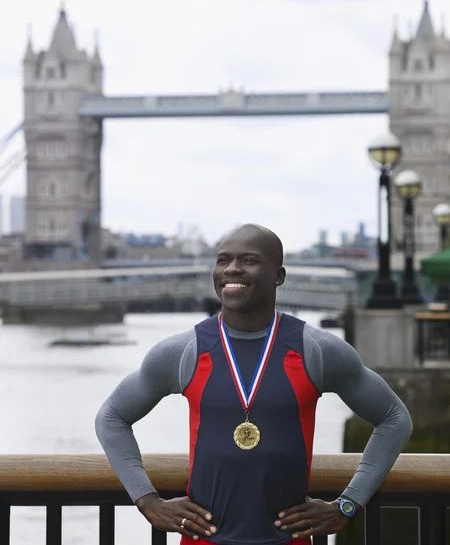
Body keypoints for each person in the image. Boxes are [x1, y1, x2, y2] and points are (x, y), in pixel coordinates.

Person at [95, 224, 413, 544]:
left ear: (279, 276)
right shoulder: (183, 352)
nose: (232, 268)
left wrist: (348, 503)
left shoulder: (316, 350)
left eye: (248, 260)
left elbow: (394, 419)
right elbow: (111, 417)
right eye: (223, 260)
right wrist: (147, 500)